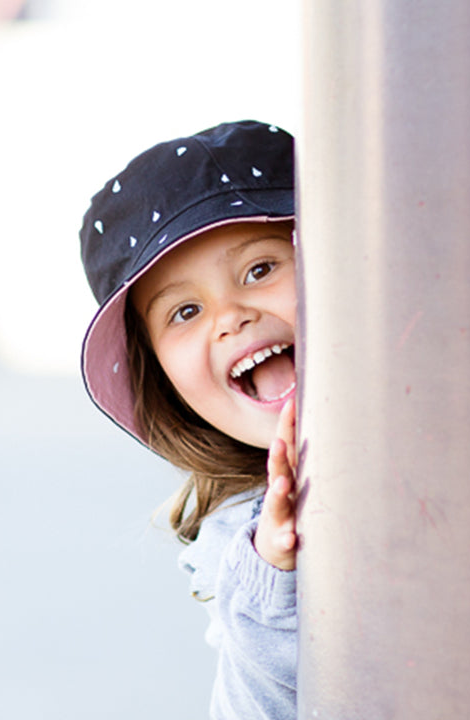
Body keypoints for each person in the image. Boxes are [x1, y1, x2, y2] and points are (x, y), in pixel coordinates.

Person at [79, 120, 298, 719]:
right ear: (162, 377)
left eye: (260, 270)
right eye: (185, 311)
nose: (230, 318)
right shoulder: (238, 545)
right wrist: (271, 584)